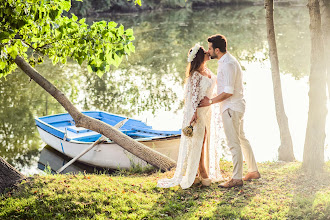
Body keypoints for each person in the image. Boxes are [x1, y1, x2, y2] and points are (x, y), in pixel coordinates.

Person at [157, 44, 223, 189]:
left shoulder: (207, 70)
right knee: (198, 141)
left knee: (204, 141)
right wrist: (193, 114)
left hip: (208, 111)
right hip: (198, 113)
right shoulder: (195, 75)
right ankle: (202, 172)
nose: (208, 53)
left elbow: (215, 86)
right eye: (205, 52)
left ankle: (199, 173)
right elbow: (191, 96)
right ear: (200, 56)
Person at [199, 34, 261, 188]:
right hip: (236, 106)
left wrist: (211, 101)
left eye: (210, 49)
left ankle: (236, 178)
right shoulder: (226, 61)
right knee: (241, 138)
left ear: (217, 50)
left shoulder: (228, 64)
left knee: (233, 143)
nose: (208, 52)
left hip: (231, 108)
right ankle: (253, 171)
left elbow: (228, 92)